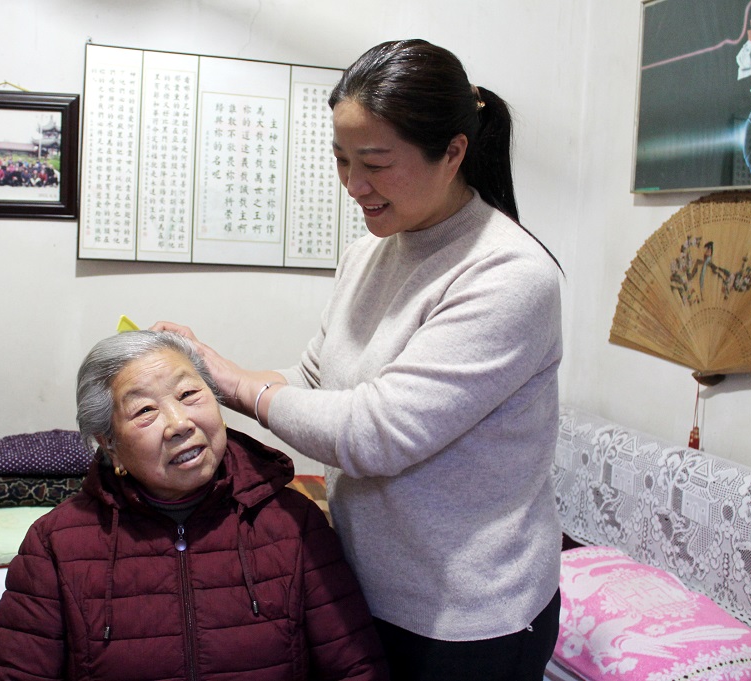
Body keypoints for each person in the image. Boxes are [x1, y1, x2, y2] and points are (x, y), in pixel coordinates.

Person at [154, 38, 564, 681]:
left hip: (466, 617)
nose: (354, 185)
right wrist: (205, 371)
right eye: (341, 160)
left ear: (454, 152)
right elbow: (315, 380)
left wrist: (236, 386)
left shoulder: (508, 275)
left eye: (375, 163)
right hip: (362, 585)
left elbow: (376, 433)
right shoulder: (370, 251)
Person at [0, 330, 387, 681]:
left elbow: (356, 670)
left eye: (189, 394)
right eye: (145, 410)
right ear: (110, 445)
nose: (179, 423)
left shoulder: (292, 523)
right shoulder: (56, 545)